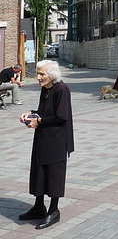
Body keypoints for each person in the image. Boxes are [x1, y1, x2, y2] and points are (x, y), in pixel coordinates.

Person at [19, 60, 74, 230]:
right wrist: (31, 114)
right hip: (43, 136)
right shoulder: (46, 89)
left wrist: (39, 121)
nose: (38, 77)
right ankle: (38, 206)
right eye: (38, 73)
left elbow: (61, 116)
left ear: (52, 75)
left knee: (53, 174)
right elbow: (43, 111)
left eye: (42, 74)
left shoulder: (61, 89)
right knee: (39, 170)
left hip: (57, 139)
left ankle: (53, 210)